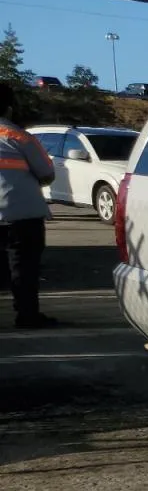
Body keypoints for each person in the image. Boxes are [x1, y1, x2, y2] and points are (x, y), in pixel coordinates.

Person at [0, 81, 58, 328]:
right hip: (20, 214)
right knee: (23, 268)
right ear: (10, 108)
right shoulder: (19, 137)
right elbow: (46, 173)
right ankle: (27, 315)